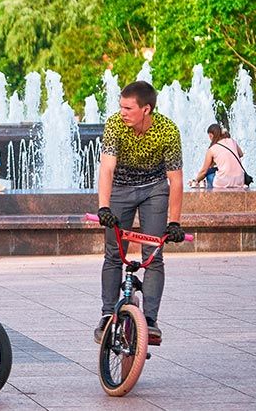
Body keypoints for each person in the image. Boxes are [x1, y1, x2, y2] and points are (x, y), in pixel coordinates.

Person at [94, 81, 186, 345]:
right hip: (121, 189)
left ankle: (151, 320)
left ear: (146, 109)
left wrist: (175, 222)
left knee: (154, 255)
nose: (122, 112)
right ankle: (107, 314)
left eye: (128, 108)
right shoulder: (114, 125)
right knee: (114, 254)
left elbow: (176, 180)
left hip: (153, 190)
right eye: (121, 106)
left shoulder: (167, 131)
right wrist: (104, 207)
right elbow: (107, 168)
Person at [192, 123, 245, 190]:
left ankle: (213, 197)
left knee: (209, 173)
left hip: (223, 183)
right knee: (215, 170)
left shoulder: (212, 149)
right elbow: (241, 154)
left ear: (211, 135)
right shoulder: (231, 141)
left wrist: (195, 181)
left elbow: (204, 171)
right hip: (240, 180)